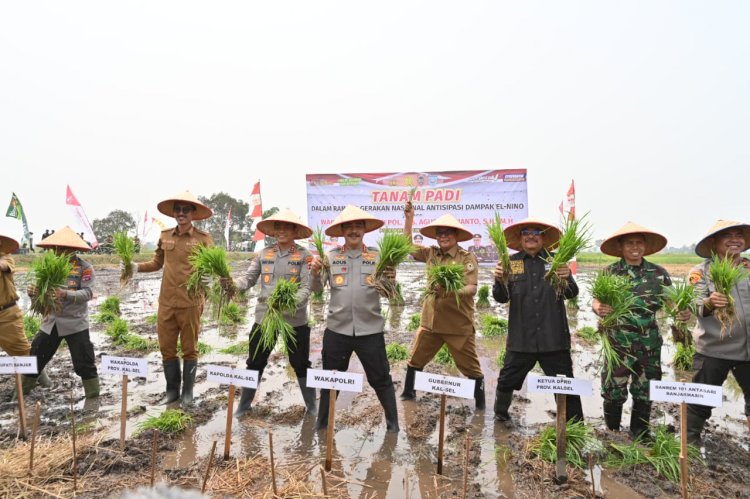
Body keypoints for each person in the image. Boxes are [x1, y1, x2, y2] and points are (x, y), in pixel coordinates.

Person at [310, 205, 399, 433]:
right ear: (341, 231)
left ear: (364, 230)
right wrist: (313, 273)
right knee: (331, 381)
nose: (353, 230)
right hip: (337, 331)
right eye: (348, 226)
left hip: (370, 331)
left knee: (381, 378)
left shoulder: (378, 257)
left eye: (358, 226)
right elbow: (316, 289)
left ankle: (393, 425)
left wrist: (391, 280)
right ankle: (322, 425)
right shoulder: (330, 257)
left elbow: (389, 293)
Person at [593, 222, 686, 439]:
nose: (635, 247)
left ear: (644, 246)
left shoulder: (659, 273)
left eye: (639, 243)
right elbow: (596, 300)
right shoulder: (610, 272)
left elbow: (673, 302)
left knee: (646, 390)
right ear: (621, 247)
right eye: (630, 243)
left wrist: (681, 313)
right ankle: (613, 432)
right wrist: (599, 308)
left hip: (649, 343)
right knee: (613, 391)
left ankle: (640, 433)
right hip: (618, 343)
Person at [492, 217, 583, 422]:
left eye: (536, 232)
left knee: (565, 383)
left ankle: (575, 425)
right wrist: (498, 280)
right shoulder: (512, 263)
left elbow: (571, 294)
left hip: (553, 338)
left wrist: (567, 276)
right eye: (526, 232)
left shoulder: (555, 262)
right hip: (521, 338)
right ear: (521, 238)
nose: (531, 236)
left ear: (543, 239)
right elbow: (501, 297)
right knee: (506, 380)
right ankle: (500, 415)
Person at [127, 191, 213, 405]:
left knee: (189, 347)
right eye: (178, 209)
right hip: (166, 302)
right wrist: (135, 267)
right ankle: (172, 391)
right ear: (174, 213)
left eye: (186, 210)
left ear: (193, 213)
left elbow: (212, 268)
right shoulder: (165, 236)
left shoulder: (203, 239)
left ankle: (187, 394)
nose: (181, 213)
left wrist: (211, 286)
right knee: (166, 347)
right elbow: (157, 263)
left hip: (191, 303)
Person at [231, 209, 316, 416]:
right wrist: (232, 284)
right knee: (255, 361)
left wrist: (289, 303)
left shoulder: (304, 256)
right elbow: (249, 279)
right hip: (265, 317)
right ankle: (243, 406)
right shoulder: (263, 254)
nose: (282, 231)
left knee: (301, 363)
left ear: (295, 230)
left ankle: (312, 407)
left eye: (287, 227)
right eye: (278, 227)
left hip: (295, 319)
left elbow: (306, 287)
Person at [400, 205, 485, 410]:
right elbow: (406, 246)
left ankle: (481, 404)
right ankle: (408, 392)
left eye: (448, 232)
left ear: (456, 235)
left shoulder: (466, 258)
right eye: (440, 233)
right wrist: (409, 218)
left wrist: (450, 290)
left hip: (457, 323)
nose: (444, 236)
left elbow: (472, 288)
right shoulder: (431, 253)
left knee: (470, 367)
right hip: (431, 321)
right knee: (416, 358)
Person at [685, 220, 750, 443]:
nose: (735, 239)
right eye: (727, 235)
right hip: (713, 349)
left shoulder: (748, 268)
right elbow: (694, 304)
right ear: (714, 242)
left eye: (739, 234)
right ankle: (690, 445)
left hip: (748, 350)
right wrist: (710, 302)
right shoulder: (700, 272)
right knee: (701, 399)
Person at [21, 227, 98, 398]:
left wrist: (66, 294)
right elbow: (41, 298)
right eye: (57, 248)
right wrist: (34, 293)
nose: (59, 251)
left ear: (74, 249)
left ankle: (93, 399)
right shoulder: (47, 268)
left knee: (84, 363)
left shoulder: (84, 268)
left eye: (64, 248)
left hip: (75, 323)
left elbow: (88, 293)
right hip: (51, 322)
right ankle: (19, 394)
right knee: (34, 358)